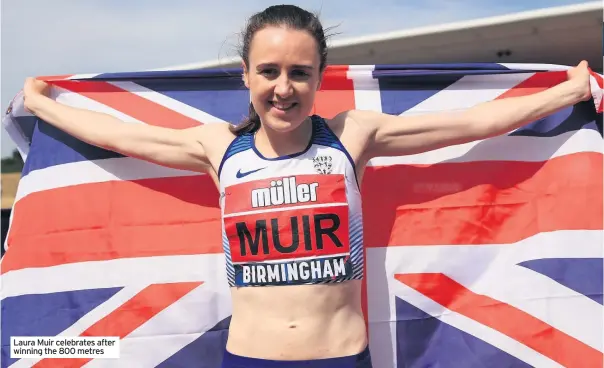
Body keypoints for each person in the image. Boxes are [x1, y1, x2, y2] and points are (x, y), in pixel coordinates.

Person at [21, 4, 592, 368]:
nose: (284, 87)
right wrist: (44, 105)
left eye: (300, 72)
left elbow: (467, 125)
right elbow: (121, 135)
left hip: (341, 359)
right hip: (248, 360)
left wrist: (567, 93)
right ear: (246, 75)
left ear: (320, 77)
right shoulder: (218, 148)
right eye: (269, 71)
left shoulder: (352, 137)